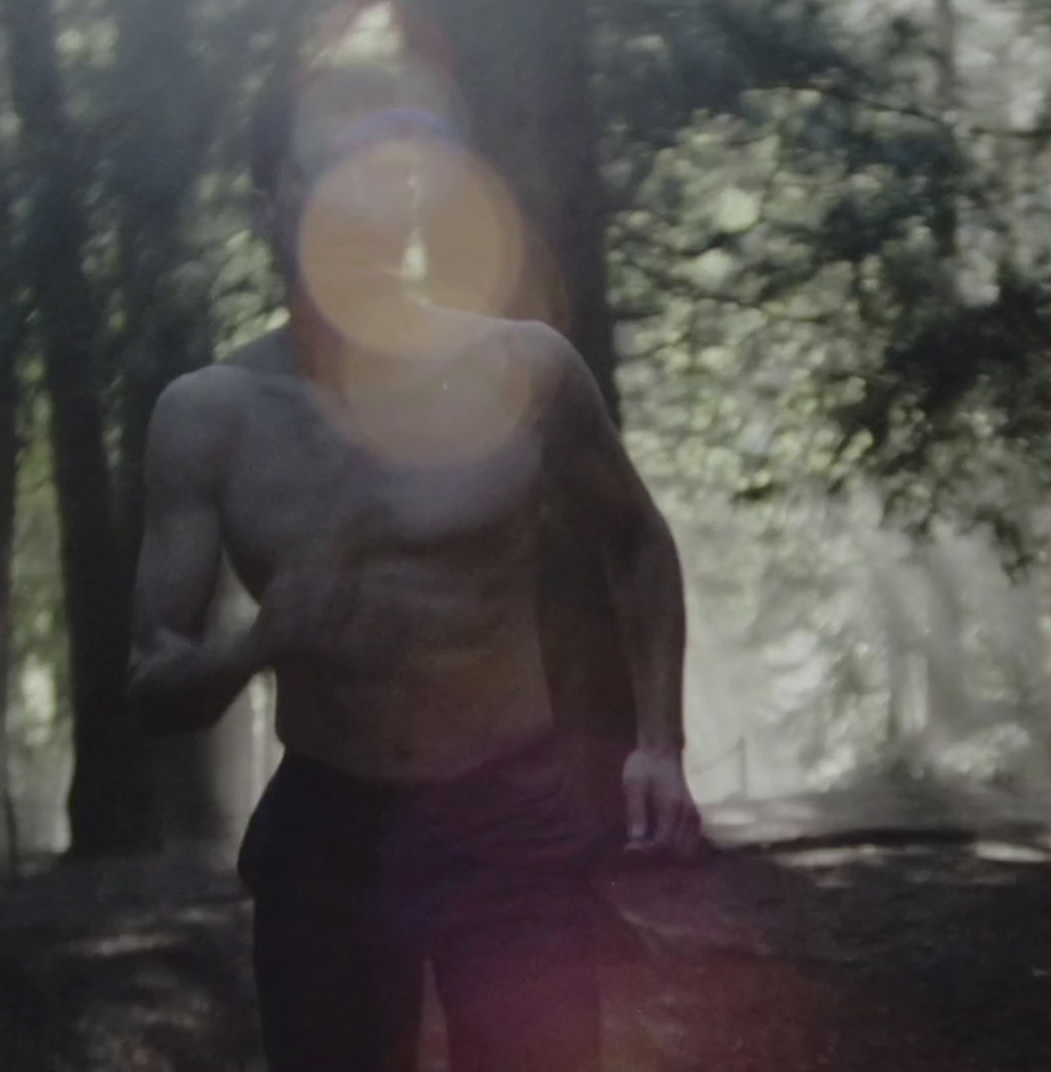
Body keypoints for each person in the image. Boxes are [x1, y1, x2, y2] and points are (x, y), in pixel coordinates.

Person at [125, 61, 699, 1072]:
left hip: (510, 821)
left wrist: (660, 740)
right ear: (270, 206)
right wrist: (261, 640)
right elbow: (153, 684)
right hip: (332, 827)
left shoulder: (522, 369)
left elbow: (638, 540)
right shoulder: (208, 417)